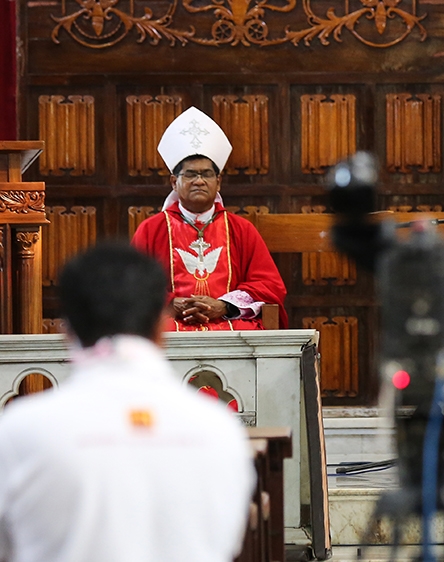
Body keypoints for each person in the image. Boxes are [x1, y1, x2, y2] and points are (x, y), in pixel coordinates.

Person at [0, 242, 255, 562]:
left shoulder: (21, 429)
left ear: (67, 331)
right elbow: (227, 541)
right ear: (160, 326)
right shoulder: (219, 429)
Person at [132, 106, 287, 331]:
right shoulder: (151, 229)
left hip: (226, 320)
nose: (199, 181)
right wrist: (171, 304)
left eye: (206, 174)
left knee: (247, 331)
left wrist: (224, 305)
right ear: (174, 182)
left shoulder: (241, 229)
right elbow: (132, 283)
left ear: (218, 182)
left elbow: (269, 285)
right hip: (172, 320)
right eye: (190, 174)